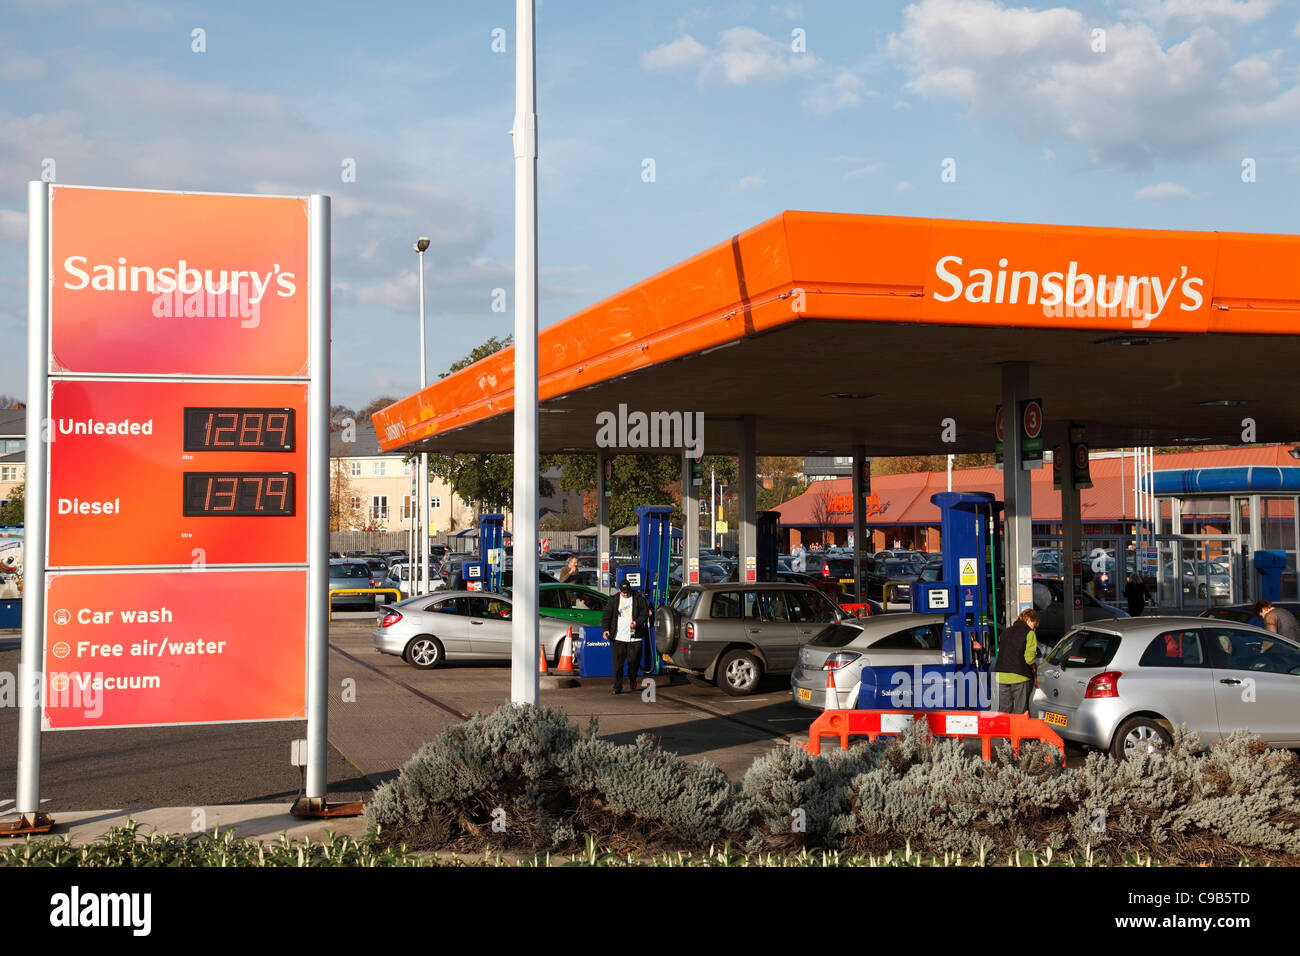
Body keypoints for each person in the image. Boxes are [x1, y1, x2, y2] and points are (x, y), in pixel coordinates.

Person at [601, 579, 647, 695]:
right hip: (618, 637)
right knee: (617, 665)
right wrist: (606, 629)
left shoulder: (638, 599)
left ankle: (632, 679)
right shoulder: (614, 600)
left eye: (627, 592)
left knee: (633, 662)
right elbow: (606, 615)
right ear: (619, 590)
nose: (625, 594)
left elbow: (644, 614)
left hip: (634, 638)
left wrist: (637, 622)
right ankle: (617, 686)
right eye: (623, 592)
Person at [993, 608, 1040, 714]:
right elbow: (1029, 658)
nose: (1034, 628)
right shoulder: (1030, 633)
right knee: (1020, 711)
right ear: (1029, 620)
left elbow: (999, 651)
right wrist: (1034, 665)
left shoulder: (1005, 631)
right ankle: (1018, 730)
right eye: (1034, 624)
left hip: (1001, 676)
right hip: (1020, 676)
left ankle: (1004, 730)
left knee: (1004, 710)